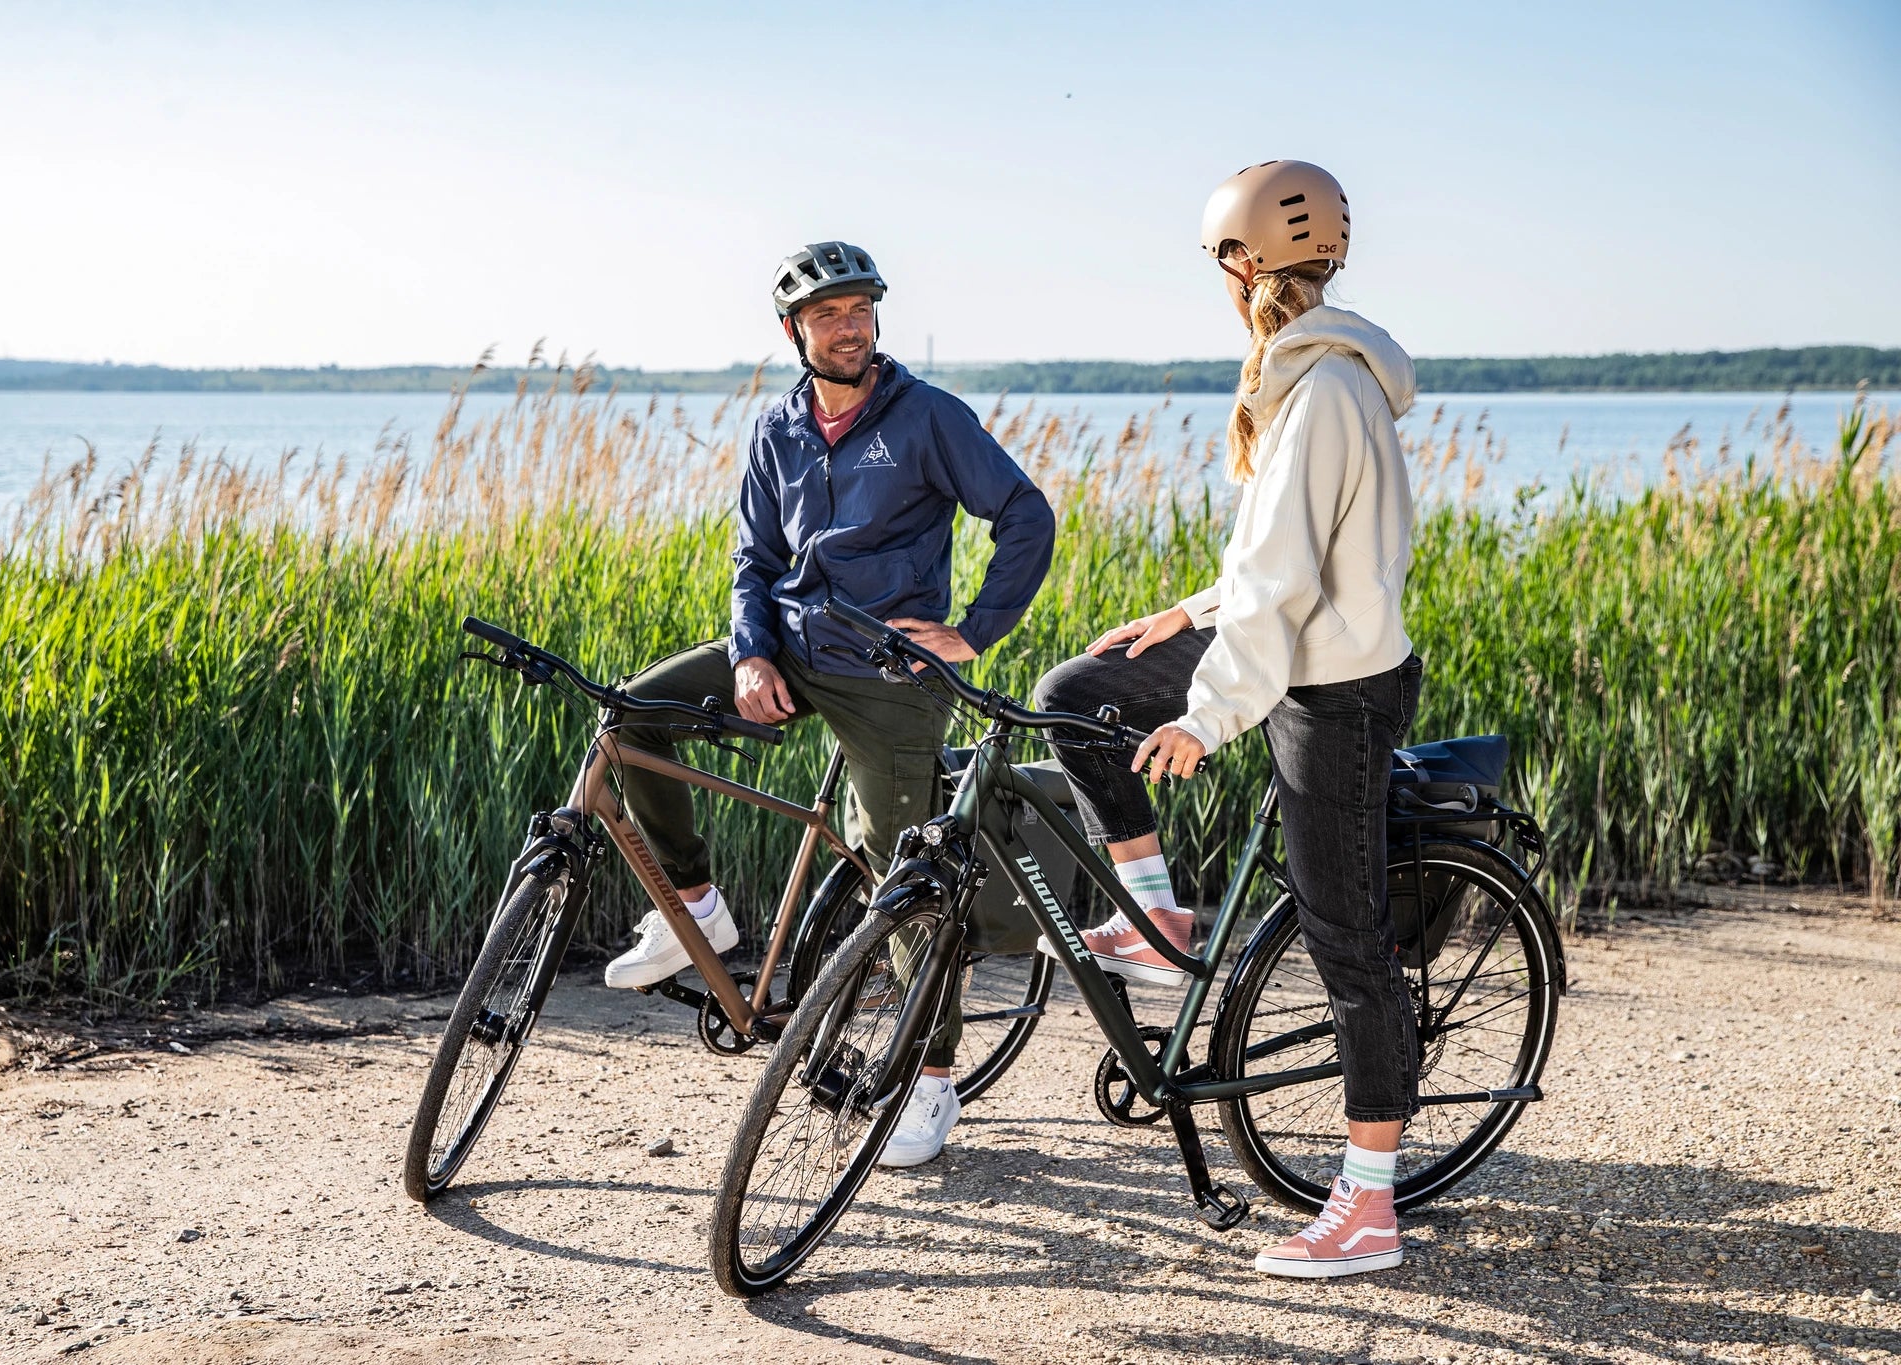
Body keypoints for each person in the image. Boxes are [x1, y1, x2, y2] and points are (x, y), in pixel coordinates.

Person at [1032, 161, 1423, 1278]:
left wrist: (1206, 716)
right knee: (1079, 694)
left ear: (1250, 263)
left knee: (1345, 937)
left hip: (1335, 688)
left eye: (1220, 259)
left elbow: (1286, 584)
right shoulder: (1299, 376)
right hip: (1290, 646)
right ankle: (1157, 920)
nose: (1218, 278)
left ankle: (1366, 1207)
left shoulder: (1325, 392)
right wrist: (1183, 615)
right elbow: (1265, 571)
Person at [607, 240, 1055, 1168]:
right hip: (789, 655)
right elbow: (754, 561)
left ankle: (929, 1081)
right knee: (631, 720)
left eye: (860, 311)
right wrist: (750, 654)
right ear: (793, 332)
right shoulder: (777, 430)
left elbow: (1025, 514)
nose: (848, 328)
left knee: (908, 883)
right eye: (827, 315)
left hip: (888, 675)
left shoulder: (928, 417)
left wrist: (972, 630)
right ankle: (697, 905)